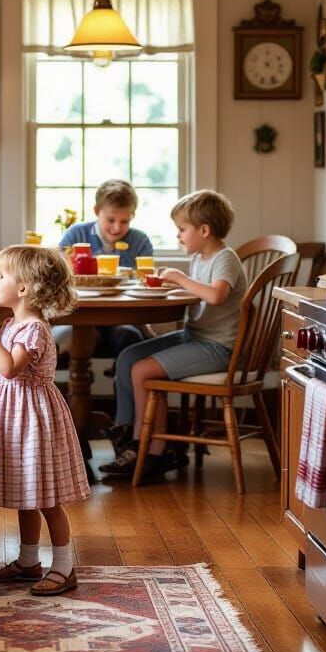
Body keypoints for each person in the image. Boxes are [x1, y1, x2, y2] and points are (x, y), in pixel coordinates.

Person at [0, 245, 90, 596]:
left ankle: (64, 567)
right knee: (27, 494)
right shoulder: (12, 323)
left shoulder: (34, 329)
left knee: (46, 497)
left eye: (1, 276)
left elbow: (9, 369)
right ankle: (28, 560)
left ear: (24, 288)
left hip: (33, 419)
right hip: (15, 417)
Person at [101, 190, 247, 482]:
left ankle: (152, 449)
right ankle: (129, 434)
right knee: (129, 356)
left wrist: (181, 279)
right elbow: (202, 292)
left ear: (204, 230)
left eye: (182, 230)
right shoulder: (201, 257)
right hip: (196, 337)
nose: (179, 236)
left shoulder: (224, 258)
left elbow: (217, 295)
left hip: (219, 347)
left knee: (142, 370)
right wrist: (179, 289)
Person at [56, 179, 153, 359]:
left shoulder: (140, 241)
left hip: (122, 316)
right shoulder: (76, 234)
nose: (117, 228)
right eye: (111, 220)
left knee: (131, 337)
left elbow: (144, 282)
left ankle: (123, 380)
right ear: (97, 211)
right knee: (75, 337)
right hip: (79, 316)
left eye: (124, 221)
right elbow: (57, 274)